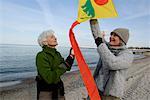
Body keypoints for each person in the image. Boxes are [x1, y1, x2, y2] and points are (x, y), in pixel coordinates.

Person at [91, 28, 134, 100]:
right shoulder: (108, 48)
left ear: (122, 39)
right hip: (97, 89)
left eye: (115, 35)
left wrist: (101, 44)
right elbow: (98, 38)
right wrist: (93, 20)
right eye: (111, 34)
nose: (111, 37)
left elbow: (112, 63)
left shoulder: (127, 54)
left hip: (111, 96)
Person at [36, 29, 74, 100]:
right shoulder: (41, 55)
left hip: (59, 89)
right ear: (45, 42)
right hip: (46, 91)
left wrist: (71, 55)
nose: (55, 38)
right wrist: (65, 65)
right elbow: (49, 78)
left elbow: (67, 67)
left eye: (54, 36)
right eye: (52, 37)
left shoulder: (57, 54)